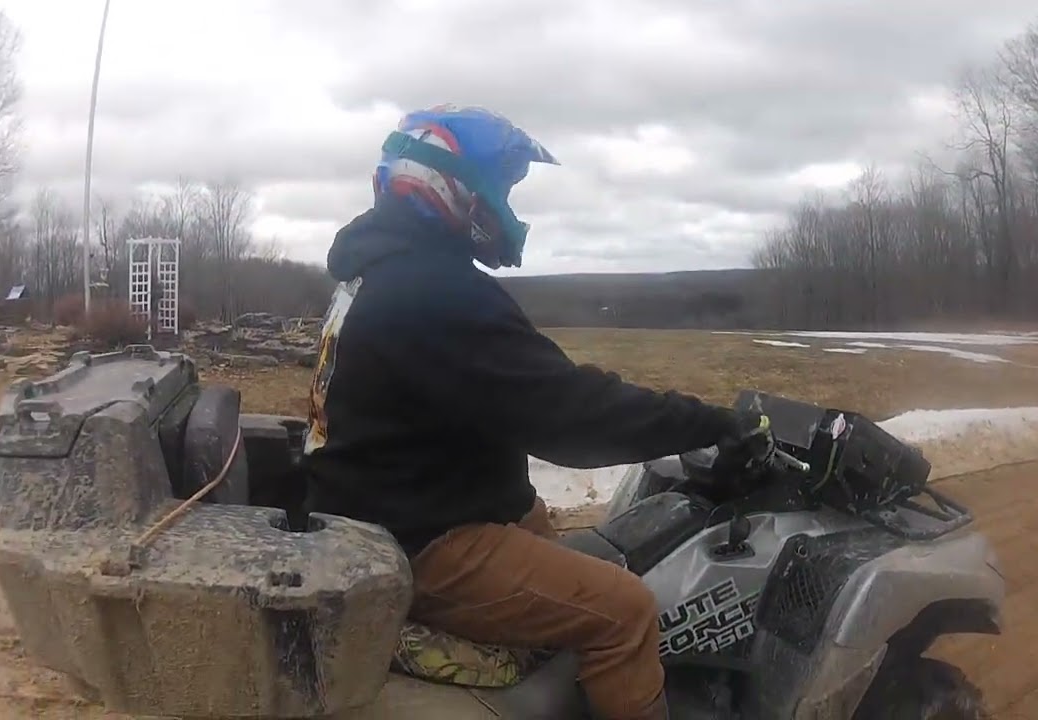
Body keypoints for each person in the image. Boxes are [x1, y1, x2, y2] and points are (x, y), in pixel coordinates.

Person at [302, 105, 774, 720]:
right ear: (453, 187)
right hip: (421, 539)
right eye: (502, 187)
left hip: (398, 504)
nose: (507, 207)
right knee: (627, 613)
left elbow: (491, 397)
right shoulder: (431, 292)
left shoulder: (381, 271)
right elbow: (569, 415)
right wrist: (710, 422)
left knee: (559, 537)